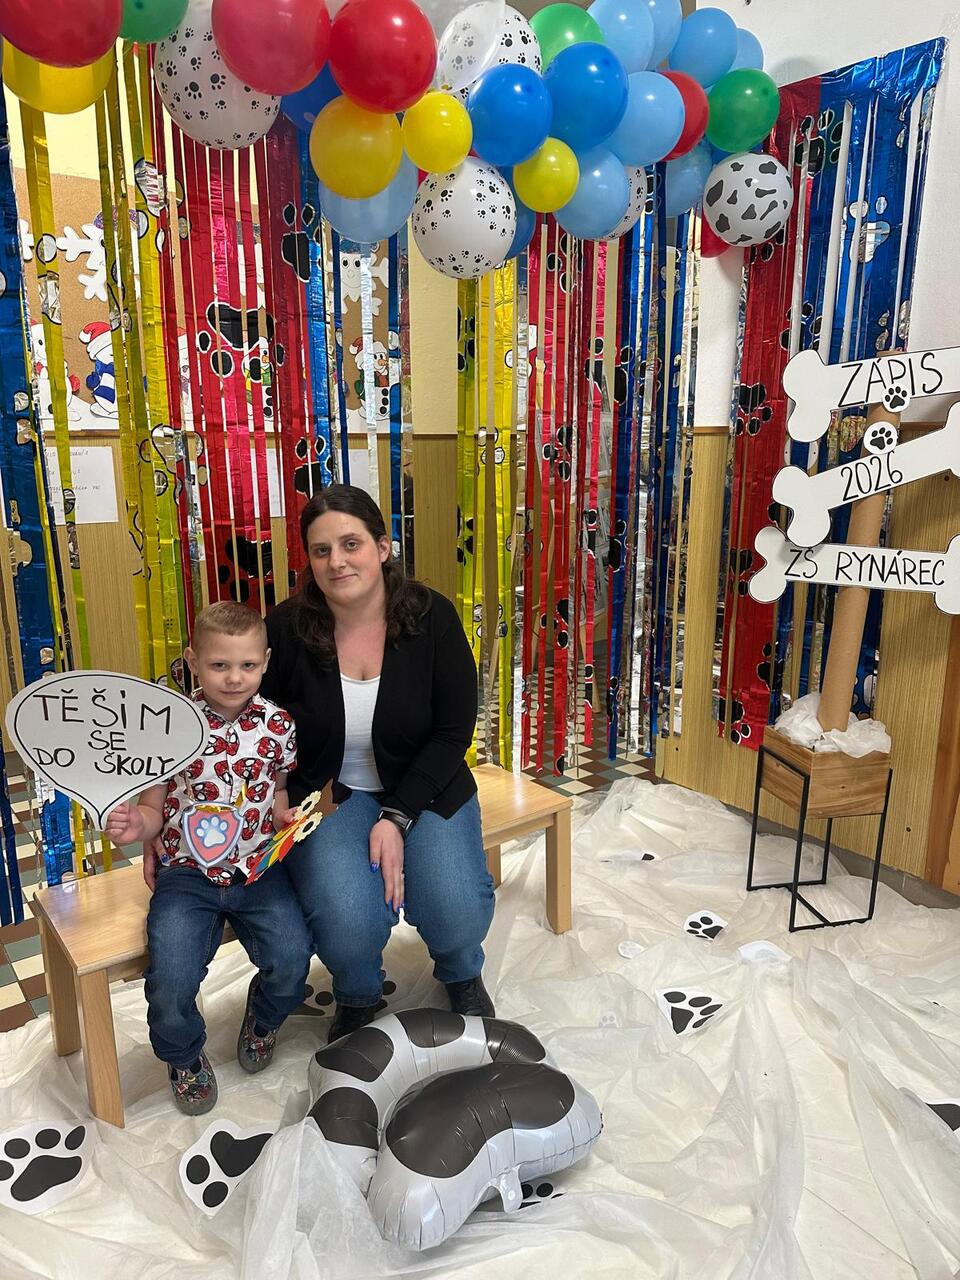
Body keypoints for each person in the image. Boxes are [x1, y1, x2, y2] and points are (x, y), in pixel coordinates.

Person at [259, 484, 496, 1043]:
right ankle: (358, 992)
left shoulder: (432, 617)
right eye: (321, 550)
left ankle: (461, 972)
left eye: (351, 544)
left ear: (383, 547)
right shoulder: (287, 629)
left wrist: (397, 816)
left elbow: (453, 731)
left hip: (427, 785)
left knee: (456, 906)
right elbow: (253, 721)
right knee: (345, 917)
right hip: (327, 794)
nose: (336, 562)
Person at [106, 602, 311, 1115]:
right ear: (193, 662)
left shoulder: (279, 724)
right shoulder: (171, 726)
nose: (234, 678)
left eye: (247, 665)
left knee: (292, 958)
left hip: (257, 869)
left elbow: (277, 790)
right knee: (171, 977)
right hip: (186, 874)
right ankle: (182, 1056)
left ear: (265, 662)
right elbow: (152, 810)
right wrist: (136, 827)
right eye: (219, 665)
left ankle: (263, 1018)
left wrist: (284, 816)